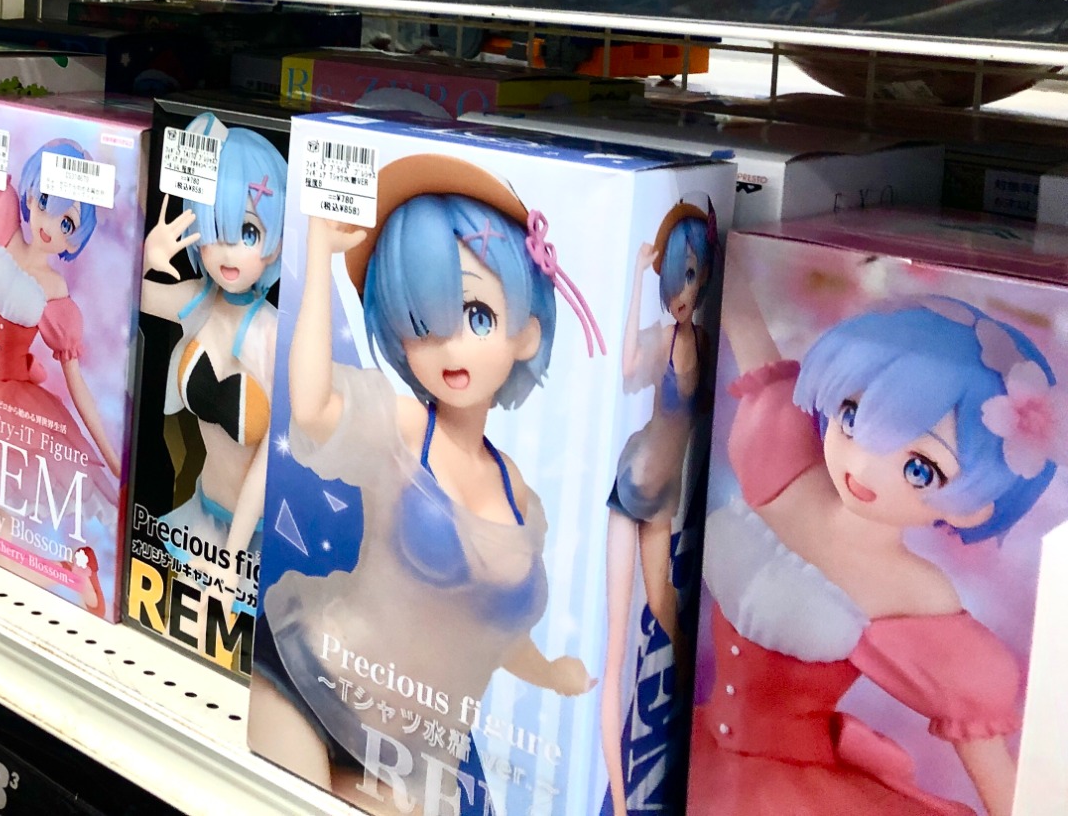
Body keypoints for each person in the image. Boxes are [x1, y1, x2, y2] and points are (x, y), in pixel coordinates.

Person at [251, 154, 602, 815]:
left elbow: (492, 631)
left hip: (413, 755)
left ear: (526, 332)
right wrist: (319, 254)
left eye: (476, 316)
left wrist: (551, 674)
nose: (450, 347)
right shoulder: (405, 424)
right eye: (422, 323)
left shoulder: (521, 495)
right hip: (310, 680)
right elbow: (312, 406)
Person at [692, 298, 1060, 816]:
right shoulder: (787, 464)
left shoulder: (912, 592)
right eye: (853, 417)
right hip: (697, 743)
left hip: (787, 791)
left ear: (973, 506)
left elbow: (990, 764)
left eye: (919, 469)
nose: (863, 467)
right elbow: (743, 316)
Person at [0, 140, 123, 595]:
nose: (48, 224)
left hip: (14, 408)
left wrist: (109, 455)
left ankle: (75, 579)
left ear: (73, 238)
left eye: (66, 222)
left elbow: (76, 383)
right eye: (45, 202)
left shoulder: (55, 291)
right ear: (29, 194)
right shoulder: (6, 230)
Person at [139, 115, 288, 585]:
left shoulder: (274, 335)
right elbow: (124, 295)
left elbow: (272, 460)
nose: (228, 252)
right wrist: (145, 257)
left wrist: (232, 556)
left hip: (255, 541)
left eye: (249, 233)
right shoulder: (199, 303)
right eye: (214, 230)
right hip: (199, 518)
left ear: (277, 239)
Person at [601, 202, 715, 815]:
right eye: (675, 278)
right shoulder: (663, 338)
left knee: (667, 612)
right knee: (617, 647)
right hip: (633, 486)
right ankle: (619, 807)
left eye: (691, 276)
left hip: (667, 492)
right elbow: (624, 371)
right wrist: (633, 280)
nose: (681, 292)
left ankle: (698, 736)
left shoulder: (704, 340)